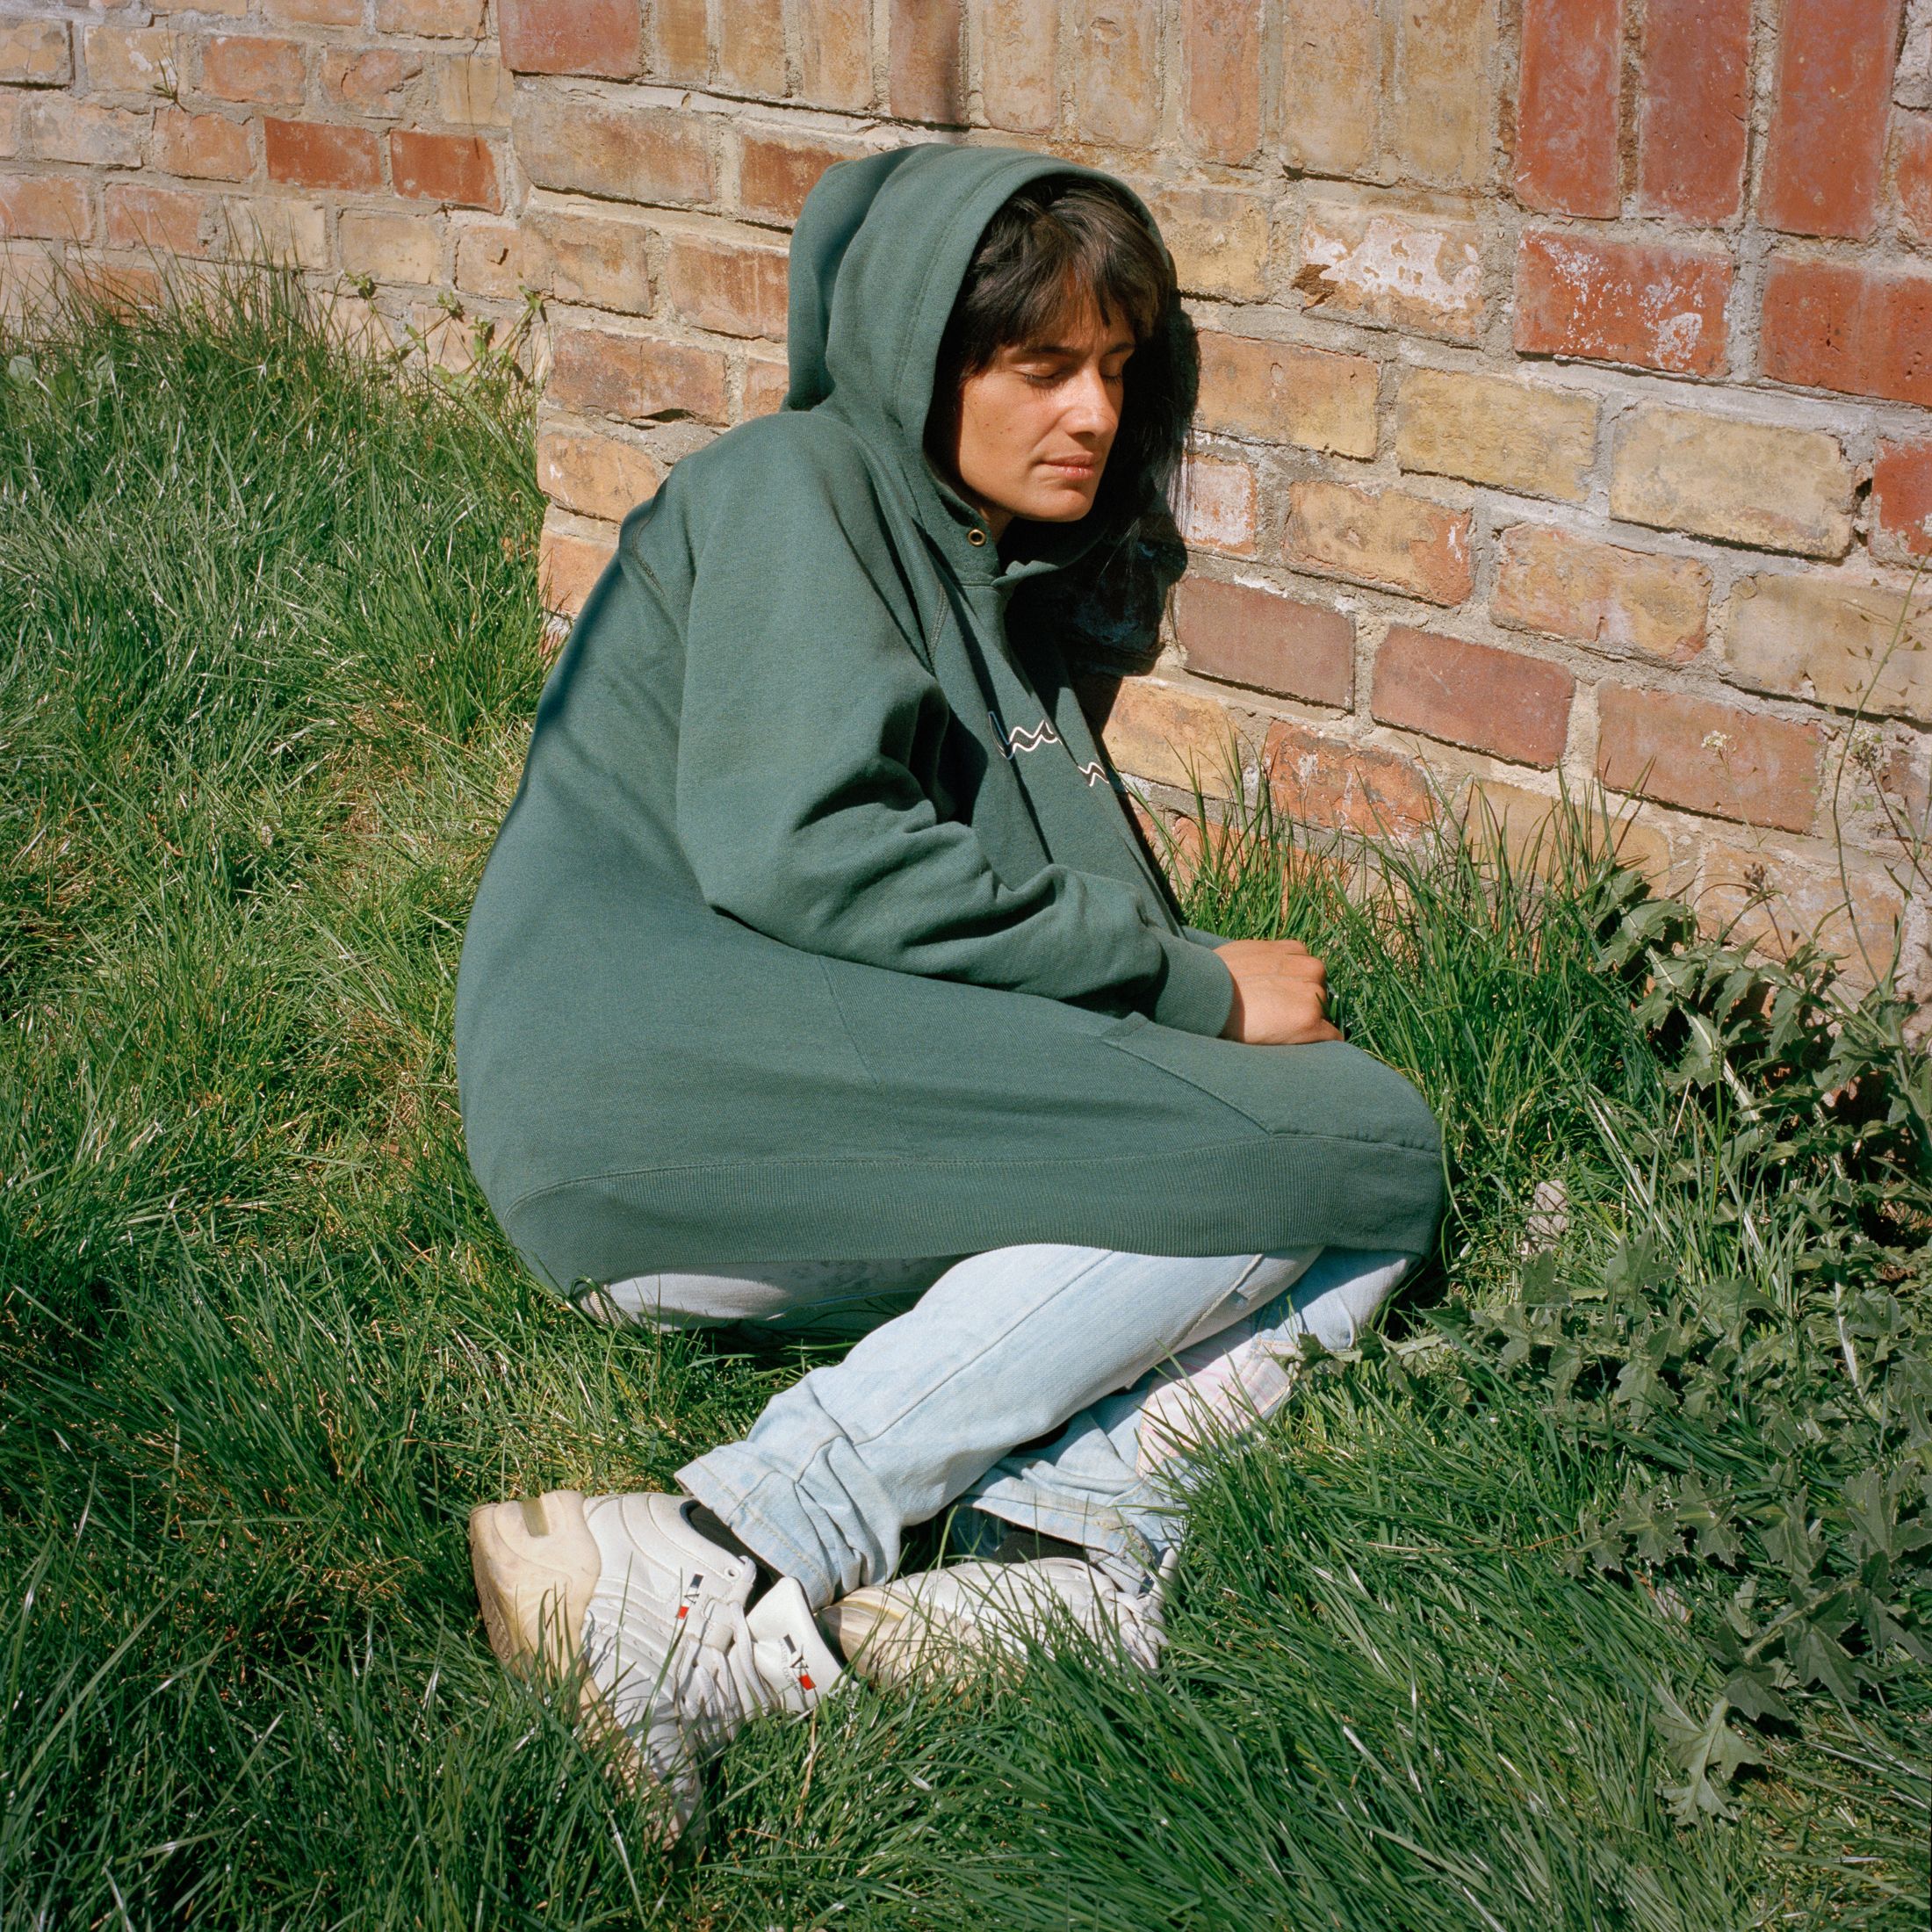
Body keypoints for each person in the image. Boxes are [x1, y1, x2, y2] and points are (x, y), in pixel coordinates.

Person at [455, 141, 1444, 1840]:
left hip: (748, 1078)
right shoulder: (795, 486)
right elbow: (811, 851)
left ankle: (1057, 1549)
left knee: (1363, 1171)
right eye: (1041, 366)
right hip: (661, 1089)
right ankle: (723, 1543)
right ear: (922, 353)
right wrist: (1186, 989)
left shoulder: (967, 570)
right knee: (1341, 1143)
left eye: (1118, 371)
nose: (1094, 415)